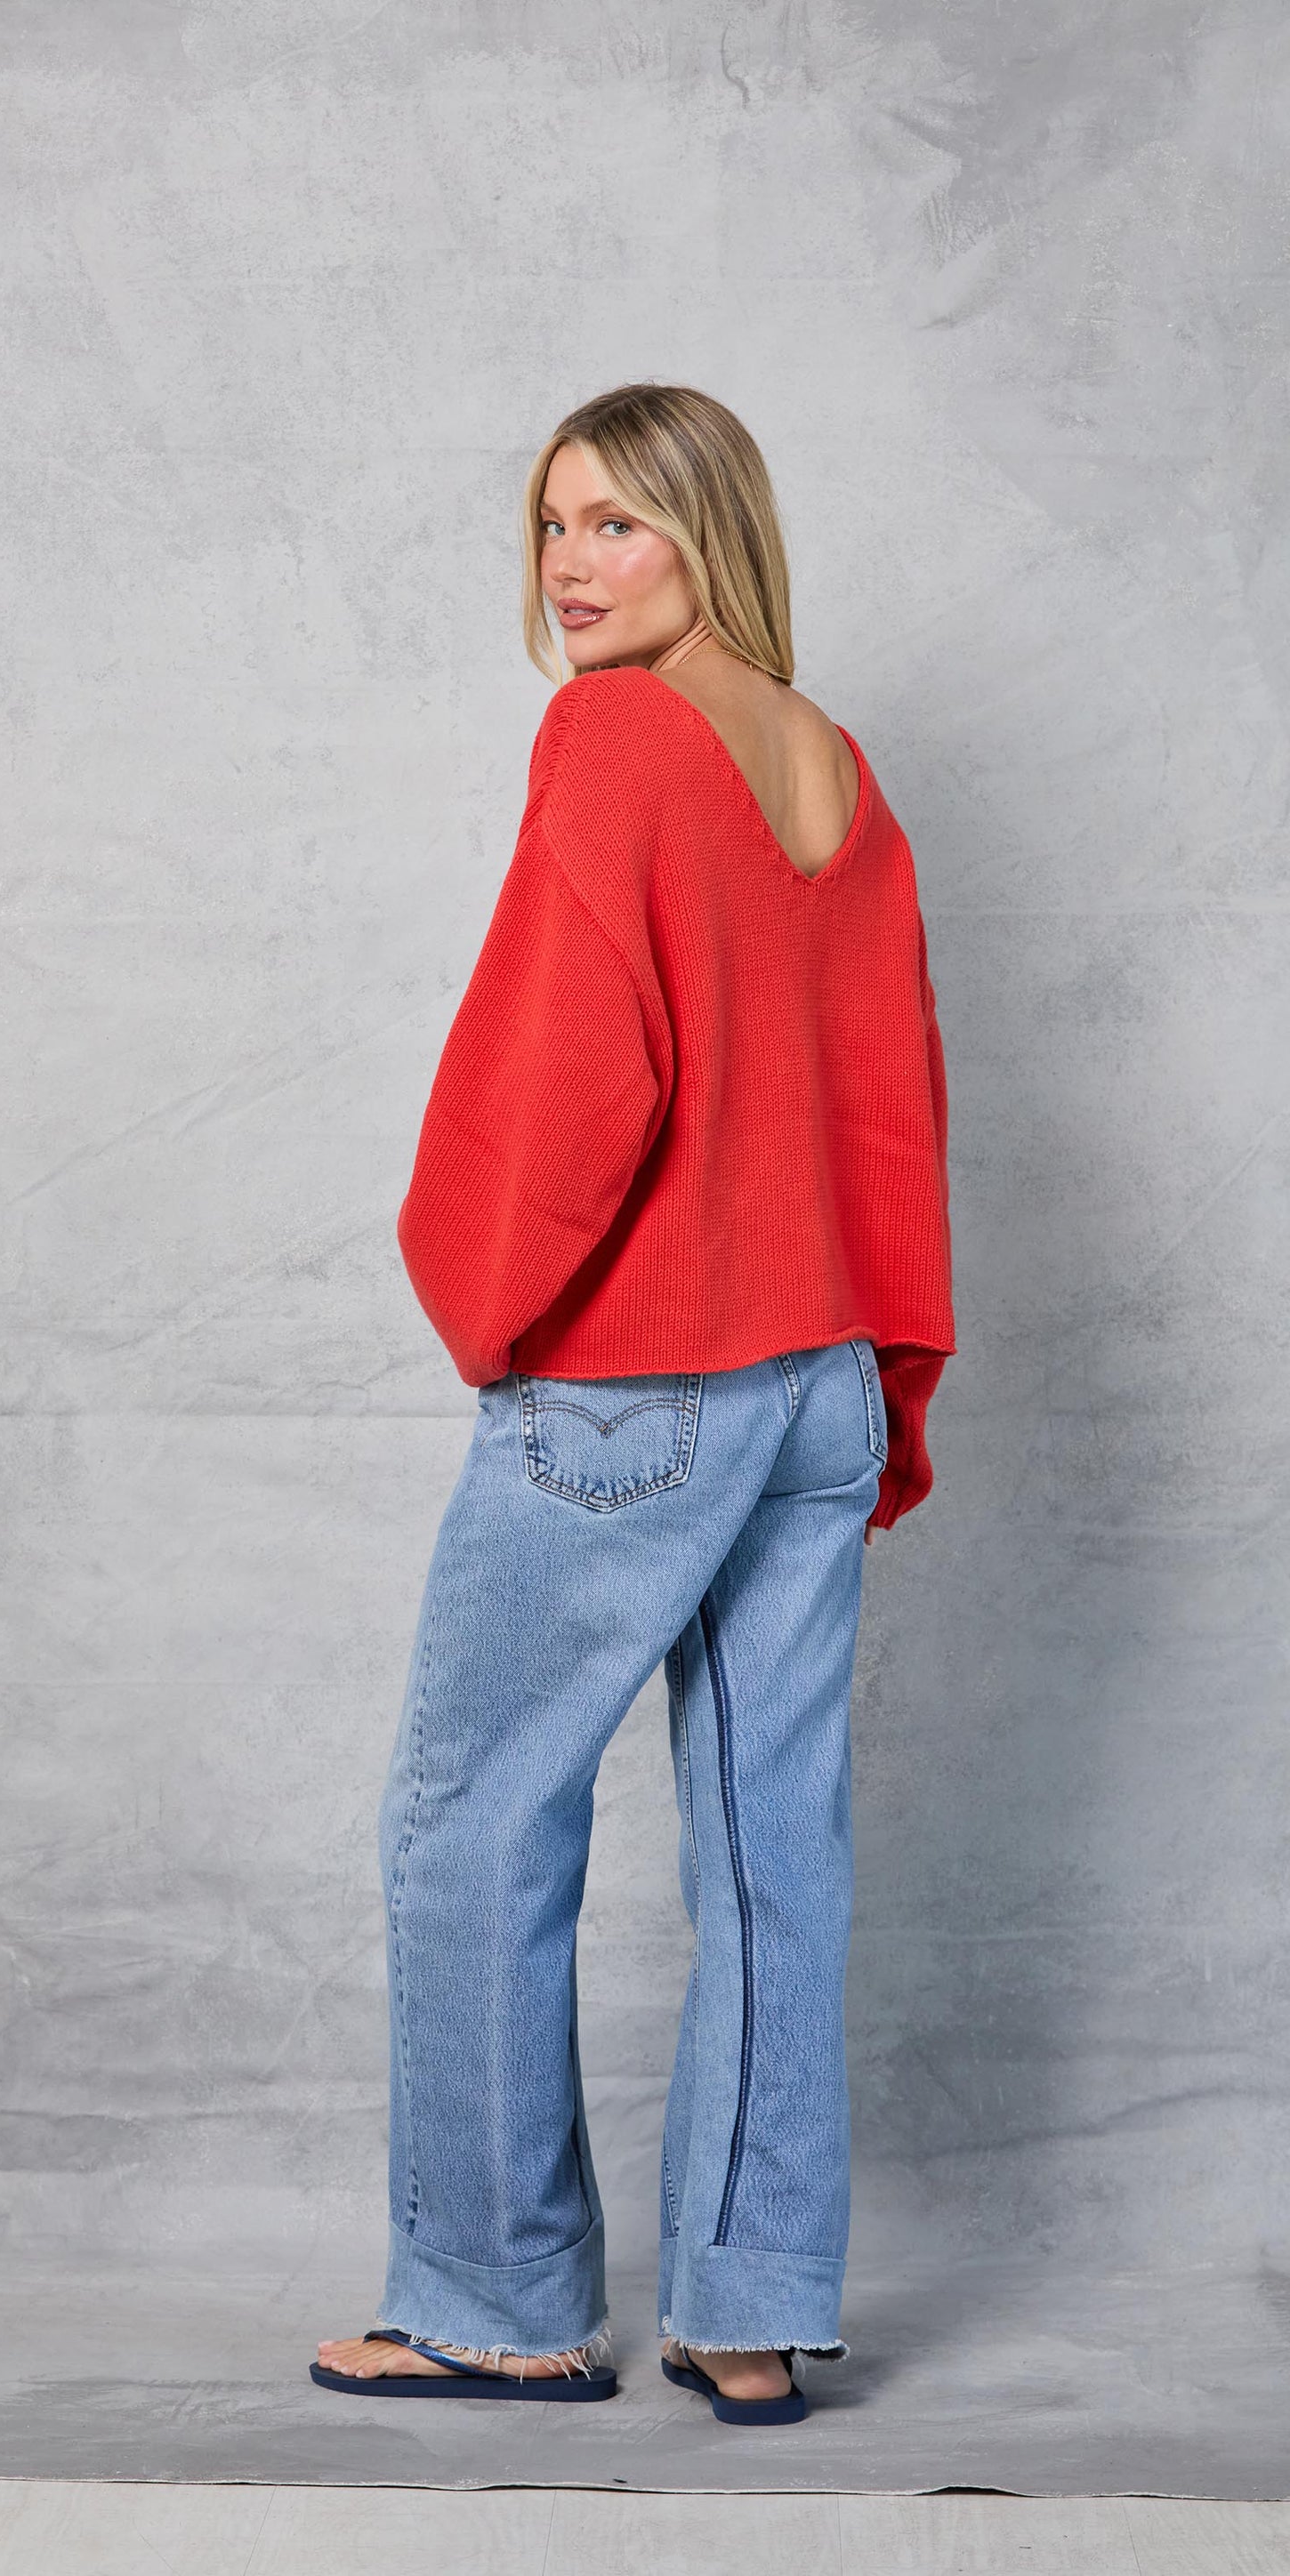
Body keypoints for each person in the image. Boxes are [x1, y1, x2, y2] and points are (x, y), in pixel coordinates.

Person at [311, 382, 954, 2427]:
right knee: (774, 1846)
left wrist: (488, 1298)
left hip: (637, 1377)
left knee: (475, 1811)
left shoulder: (614, 736)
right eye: (551, 524)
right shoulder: (830, 764)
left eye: (618, 524)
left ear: (707, 531)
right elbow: (888, 1090)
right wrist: (882, 1370)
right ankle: (747, 2310)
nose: (571, 567)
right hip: (818, 1364)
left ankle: (495, 2299)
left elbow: (563, 1063)